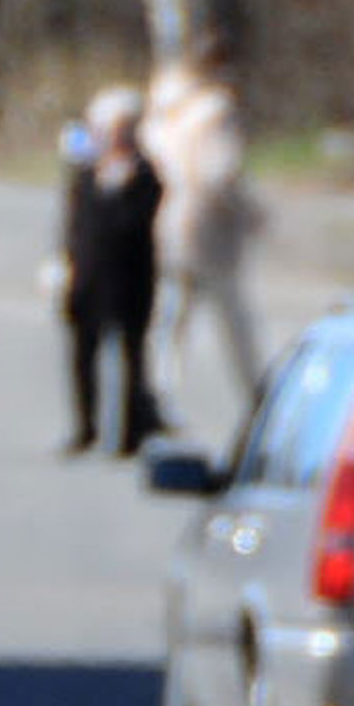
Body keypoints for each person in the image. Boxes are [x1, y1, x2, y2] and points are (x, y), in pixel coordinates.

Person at [139, 38, 266, 427]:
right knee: (233, 318)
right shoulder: (215, 112)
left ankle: (159, 393)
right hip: (208, 223)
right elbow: (218, 171)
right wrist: (249, 212)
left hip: (169, 215)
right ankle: (257, 396)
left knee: (172, 318)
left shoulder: (166, 111)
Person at [60, 85, 165, 454]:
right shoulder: (86, 173)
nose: (113, 135)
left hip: (130, 279)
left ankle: (130, 433)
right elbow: (73, 224)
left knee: (130, 357)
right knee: (81, 355)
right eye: (106, 127)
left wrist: (120, 187)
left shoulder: (146, 174)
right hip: (88, 277)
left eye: (121, 127)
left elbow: (136, 222)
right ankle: (84, 428)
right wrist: (63, 263)